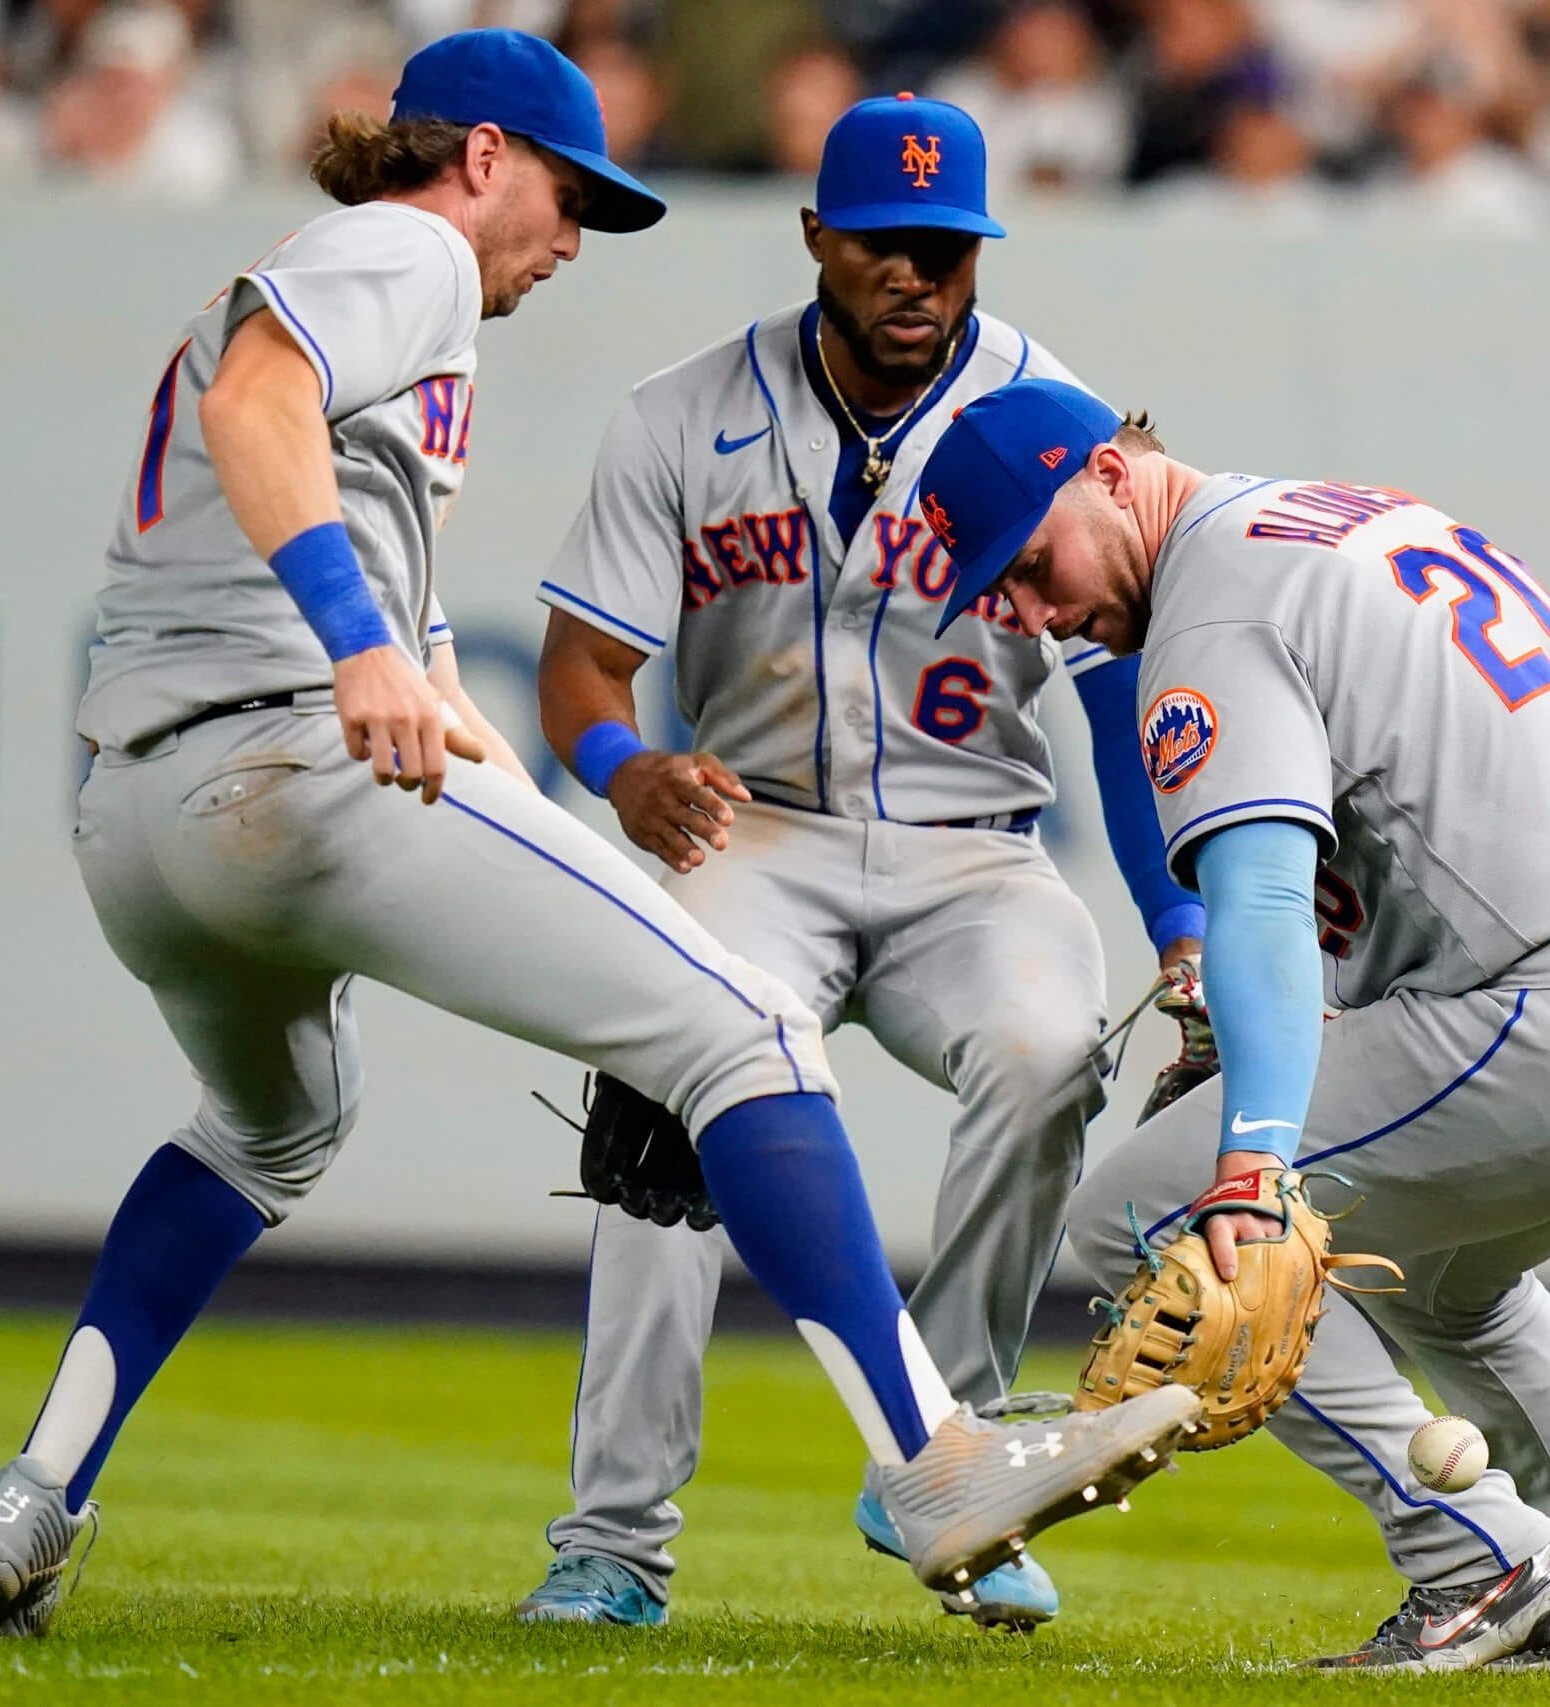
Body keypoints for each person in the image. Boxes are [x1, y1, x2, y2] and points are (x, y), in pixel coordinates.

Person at [0, 38, 1193, 1643]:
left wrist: (424, 669)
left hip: (142, 821)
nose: (572, 239)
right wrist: (360, 648)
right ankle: (928, 1460)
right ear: (482, 157)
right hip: (293, 762)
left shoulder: (366, 302)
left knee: (270, 1129)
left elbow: (377, 570)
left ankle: (34, 1495)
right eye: (572, 196)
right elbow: (262, 406)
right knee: (742, 1030)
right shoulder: (408, 250)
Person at [914, 380, 1550, 1673]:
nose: (1036, 617)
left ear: (1109, 471)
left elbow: (1260, 896)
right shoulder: (1338, 521)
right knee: (1445, 1282)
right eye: (1006, 599)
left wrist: (1255, 1164)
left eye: (1033, 567)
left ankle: (1474, 1553)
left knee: (1151, 1220)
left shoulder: (1212, 603)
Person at [511, 92, 1207, 1633]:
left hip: (975, 851)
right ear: (819, 234)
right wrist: (626, 775)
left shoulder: (1050, 418)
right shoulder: (682, 413)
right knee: (667, 1093)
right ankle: (614, 1537)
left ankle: (940, 1459)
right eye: (888, 244)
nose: (920, 275)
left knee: (1041, 1056)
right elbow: (578, 670)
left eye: (949, 248)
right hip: (748, 827)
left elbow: (1116, 704)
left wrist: (1177, 921)